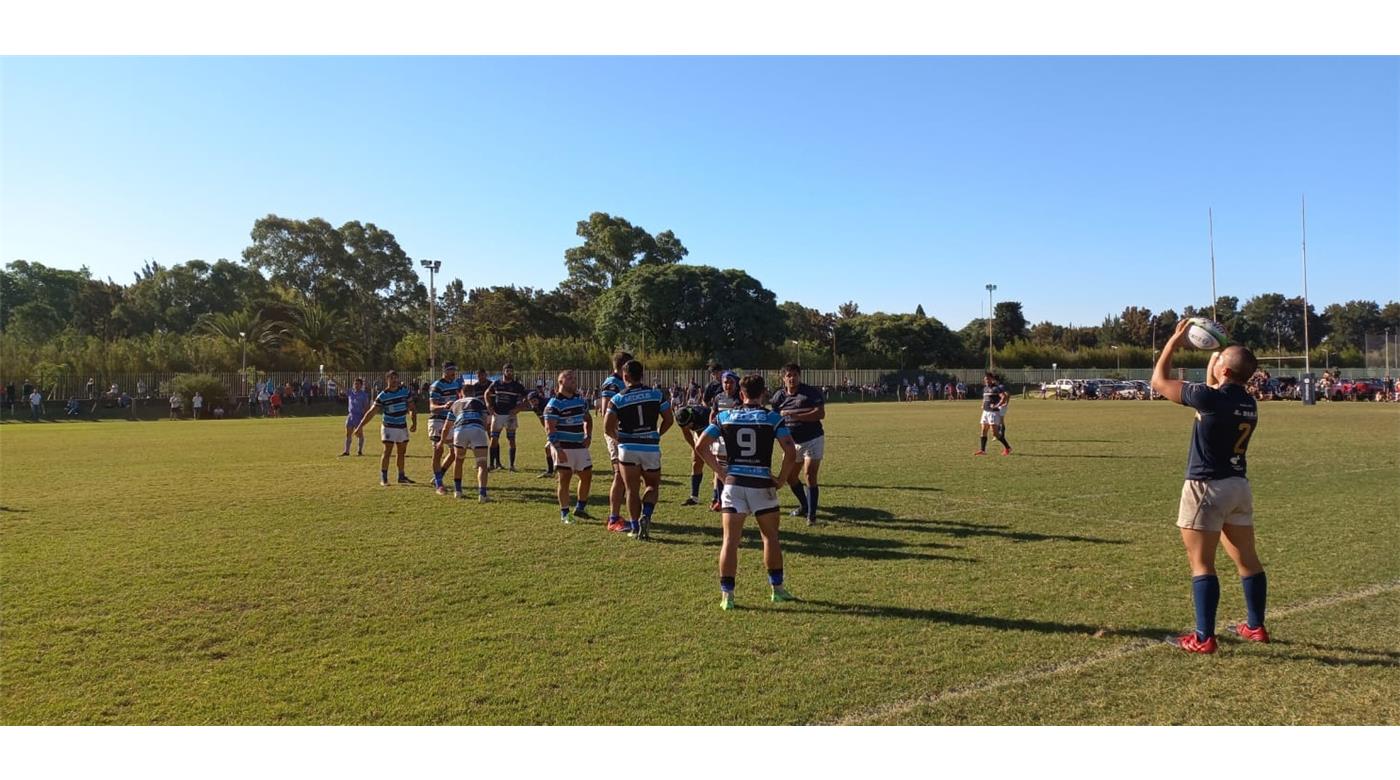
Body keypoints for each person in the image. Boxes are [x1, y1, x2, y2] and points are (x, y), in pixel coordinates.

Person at [1151, 319, 1268, 654]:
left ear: (1225, 371)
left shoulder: (1208, 398)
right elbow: (1215, 386)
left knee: (1202, 564)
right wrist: (1219, 353)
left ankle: (1203, 638)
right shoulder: (1248, 402)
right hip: (1237, 486)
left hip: (1206, 487)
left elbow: (1158, 382)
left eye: (1219, 361)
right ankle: (1255, 626)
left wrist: (1173, 343)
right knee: (1248, 560)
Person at [695, 373, 799, 610]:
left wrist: (721, 474)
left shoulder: (724, 416)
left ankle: (727, 596)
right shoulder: (772, 418)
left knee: (730, 541)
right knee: (770, 538)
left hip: (734, 484)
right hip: (762, 484)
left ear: (741, 394)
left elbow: (701, 446)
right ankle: (777, 590)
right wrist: (781, 479)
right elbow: (790, 451)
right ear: (763, 394)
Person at [603, 359, 674, 539]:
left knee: (631, 490)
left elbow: (607, 427)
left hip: (627, 448)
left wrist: (619, 439)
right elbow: (669, 419)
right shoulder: (656, 394)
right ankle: (646, 514)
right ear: (642, 375)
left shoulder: (617, 399)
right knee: (652, 485)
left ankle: (634, 527)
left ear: (625, 376)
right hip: (650, 447)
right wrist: (657, 433)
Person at [770, 363, 826, 526]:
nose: (792, 378)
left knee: (809, 475)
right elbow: (774, 417)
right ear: (783, 378)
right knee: (790, 477)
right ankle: (804, 505)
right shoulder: (779, 396)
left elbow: (820, 413)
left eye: (795, 375)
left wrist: (794, 415)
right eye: (789, 375)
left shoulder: (809, 392)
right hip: (791, 443)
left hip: (813, 439)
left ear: (799, 376)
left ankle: (811, 516)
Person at [544, 370, 594, 523]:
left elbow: (588, 419)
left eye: (574, 378)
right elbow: (550, 429)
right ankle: (565, 514)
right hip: (563, 446)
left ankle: (580, 508)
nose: (574, 381)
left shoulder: (580, 401)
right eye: (569, 378)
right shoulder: (554, 404)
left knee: (587, 476)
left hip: (579, 446)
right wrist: (558, 449)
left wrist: (588, 436)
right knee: (564, 479)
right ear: (560, 382)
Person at [353, 369, 418, 486]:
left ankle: (401, 476)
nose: (394, 380)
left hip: (402, 426)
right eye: (391, 378)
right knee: (387, 451)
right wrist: (360, 426)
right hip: (389, 426)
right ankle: (384, 478)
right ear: (387, 380)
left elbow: (411, 407)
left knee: (401, 452)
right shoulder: (383, 396)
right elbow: (371, 412)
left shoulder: (405, 392)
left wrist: (414, 422)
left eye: (396, 378)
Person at [598, 351, 633, 533]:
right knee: (619, 474)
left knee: (626, 474)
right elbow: (606, 411)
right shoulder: (612, 383)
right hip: (615, 433)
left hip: (624, 433)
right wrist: (616, 435)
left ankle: (621, 515)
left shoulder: (621, 381)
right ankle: (613, 519)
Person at [704, 371, 743, 510]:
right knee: (719, 469)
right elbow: (713, 413)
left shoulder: (740, 398)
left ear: (736, 384)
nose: (728, 385)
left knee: (733, 469)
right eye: (726, 382)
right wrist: (712, 430)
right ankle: (720, 500)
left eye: (731, 382)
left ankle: (734, 498)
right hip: (720, 439)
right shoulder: (718, 397)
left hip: (735, 439)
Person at [446, 385, 492, 501]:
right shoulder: (479, 402)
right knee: (482, 463)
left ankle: (458, 491)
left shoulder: (455, 404)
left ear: (461, 393)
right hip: (477, 430)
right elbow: (486, 421)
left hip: (460, 431)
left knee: (459, 460)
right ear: (474, 393)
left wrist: (442, 440)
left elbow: (447, 426)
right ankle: (482, 494)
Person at [427, 363, 465, 490]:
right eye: (451, 370)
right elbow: (432, 407)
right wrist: (444, 406)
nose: (454, 372)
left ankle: (438, 476)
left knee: (455, 452)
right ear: (444, 371)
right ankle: (439, 484)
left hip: (450, 421)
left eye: (454, 369)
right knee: (438, 451)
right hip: (437, 420)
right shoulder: (437, 385)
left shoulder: (456, 384)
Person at [975, 372, 1012, 456]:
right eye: (985, 379)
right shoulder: (985, 388)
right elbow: (985, 398)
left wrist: (997, 405)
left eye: (988, 379)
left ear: (992, 379)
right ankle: (982, 450)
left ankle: (1008, 448)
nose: (986, 380)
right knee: (983, 430)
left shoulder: (996, 388)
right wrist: (983, 404)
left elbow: (1004, 396)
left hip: (993, 413)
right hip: (985, 412)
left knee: (995, 433)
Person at [525, 380, 555, 478]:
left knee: (550, 448)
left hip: (559, 428)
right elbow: (542, 419)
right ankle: (553, 470)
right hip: (552, 429)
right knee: (550, 448)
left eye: (534, 401)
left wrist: (552, 431)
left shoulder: (547, 405)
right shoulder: (535, 408)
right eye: (531, 402)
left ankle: (552, 471)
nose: (533, 403)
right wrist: (547, 431)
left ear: (539, 398)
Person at [342, 377, 370, 456]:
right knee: (348, 434)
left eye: (358, 384)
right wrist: (333, 380)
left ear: (361, 385)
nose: (356, 385)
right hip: (350, 416)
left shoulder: (364, 395)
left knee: (359, 434)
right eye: (355, 384)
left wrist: (364, 417)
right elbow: (342, 387)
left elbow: (366, 407)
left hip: (359, 416)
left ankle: (359, 451)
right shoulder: (351, 392)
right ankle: (346, 451)